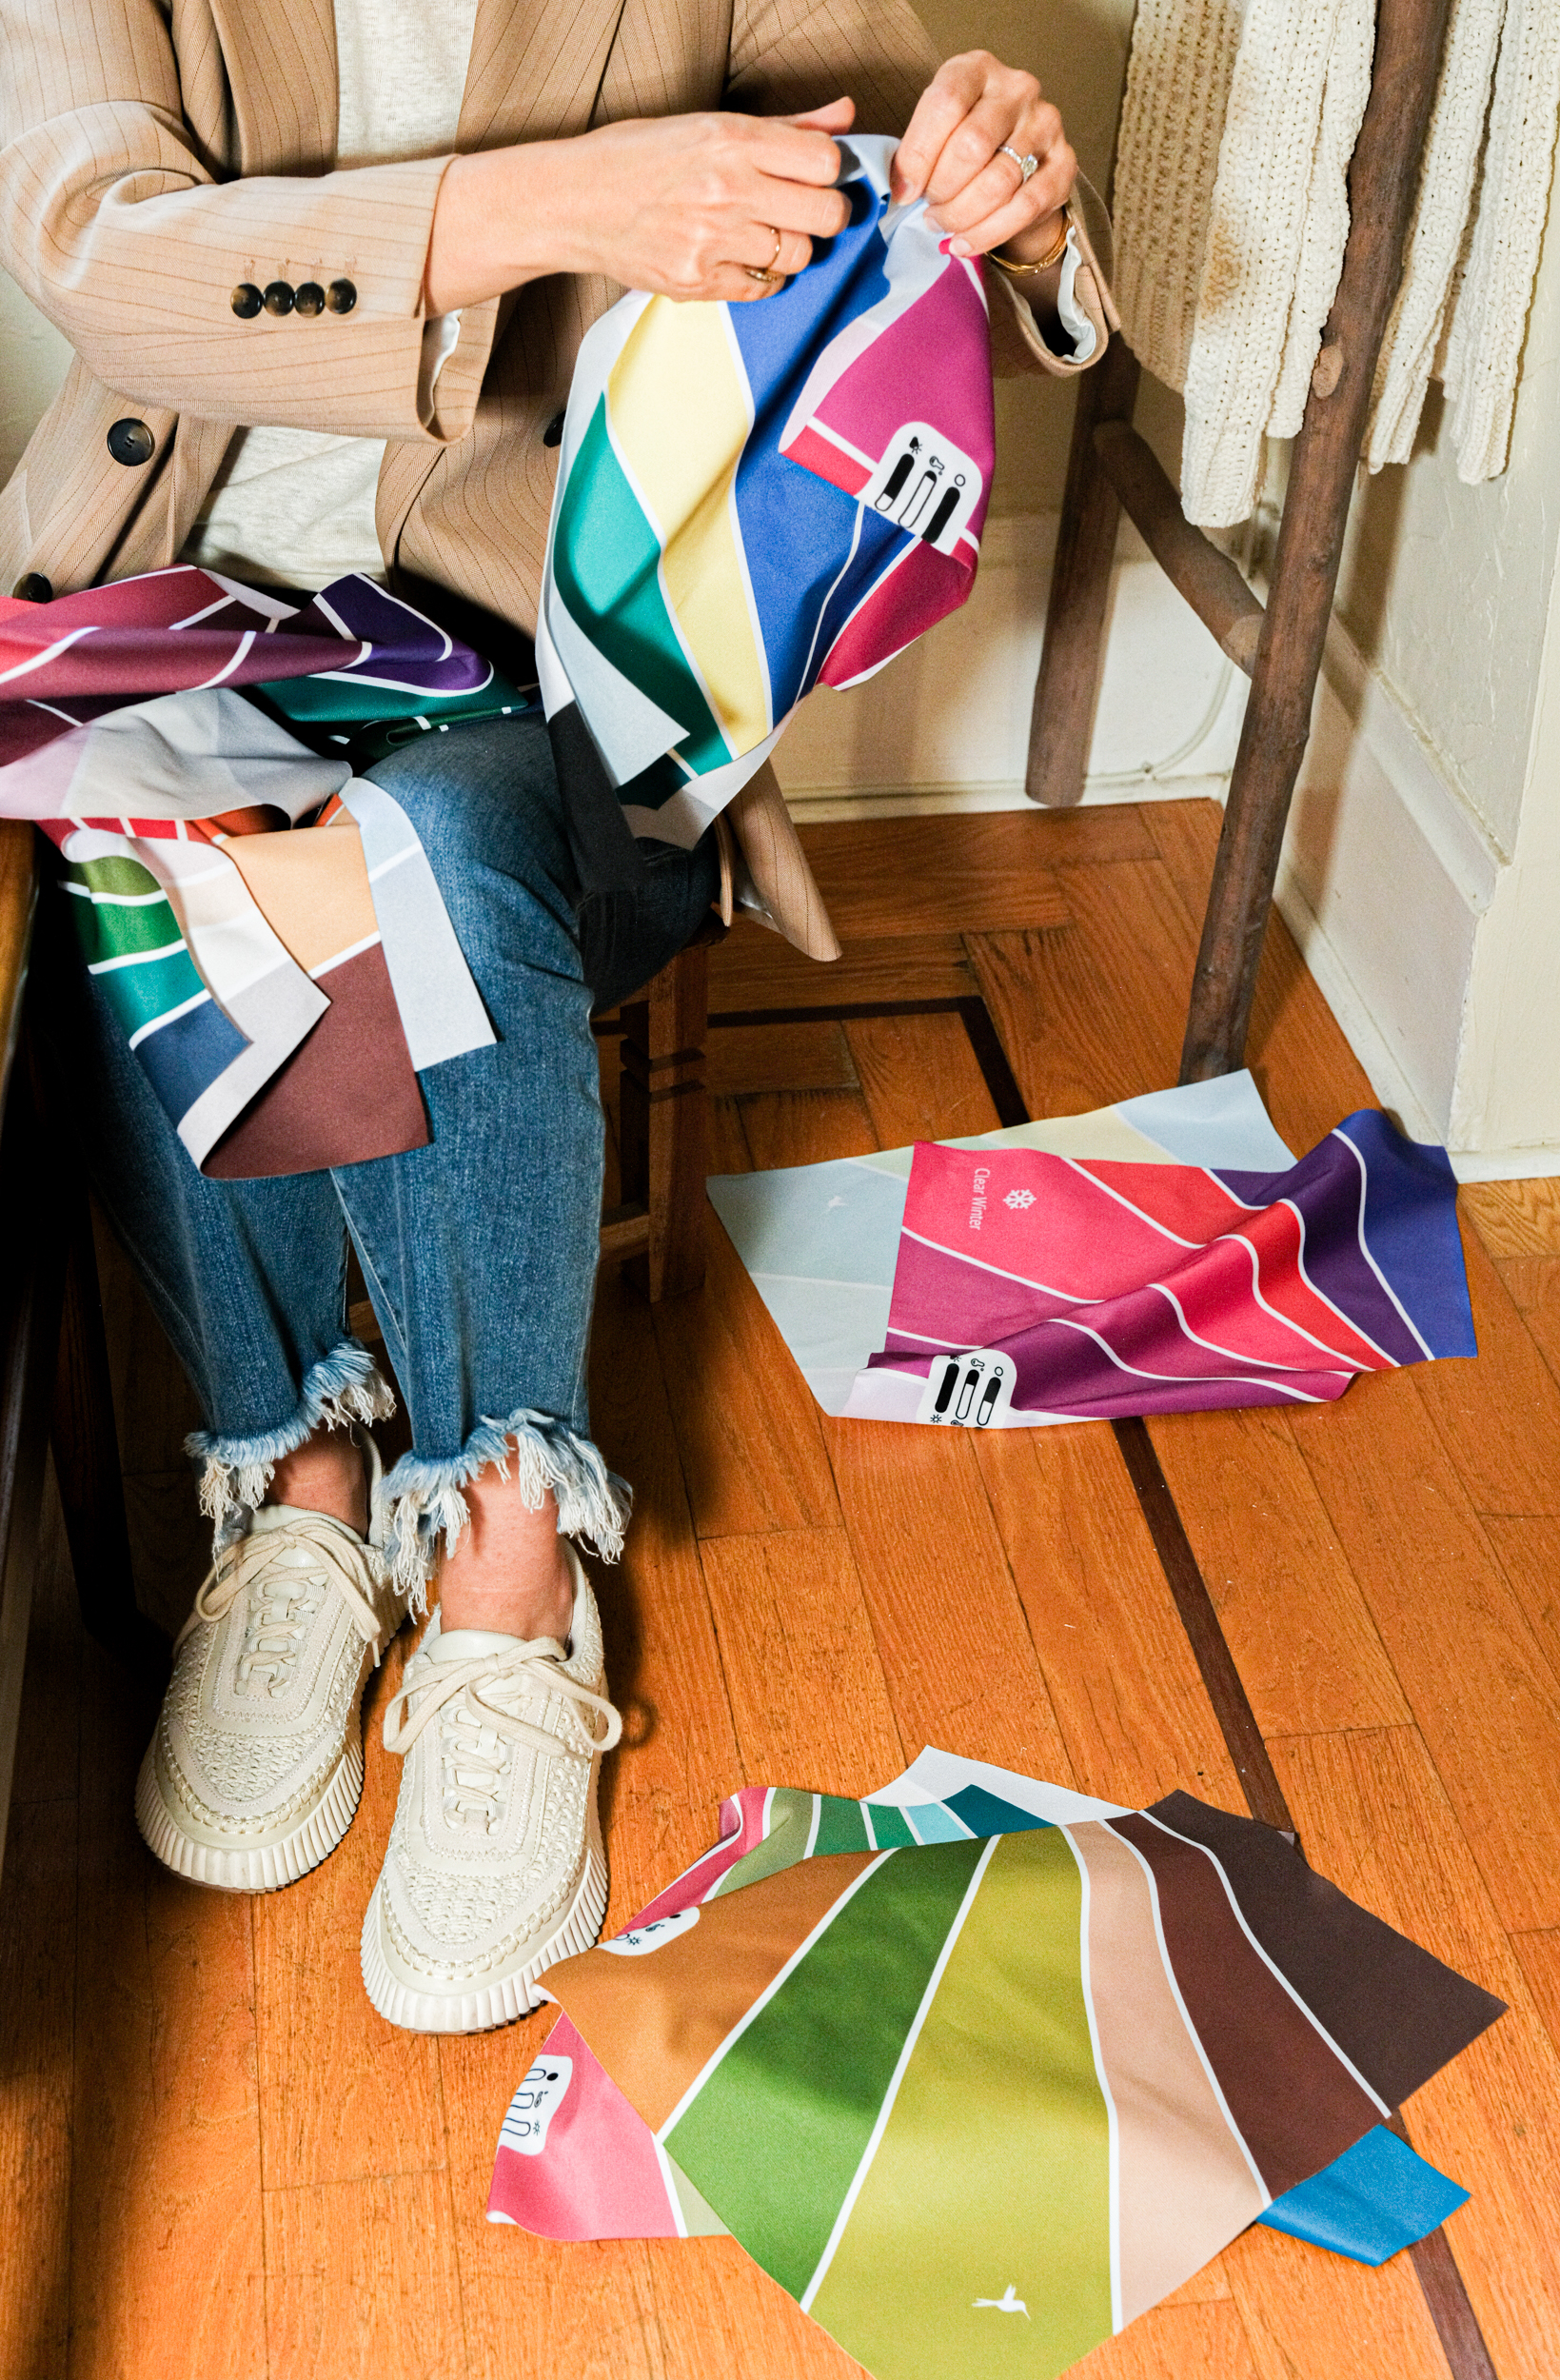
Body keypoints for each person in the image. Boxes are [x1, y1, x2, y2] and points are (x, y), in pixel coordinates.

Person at [0, 0, 1085, 2033]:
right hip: (173, 584)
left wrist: (1006, 203)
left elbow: (900, 149)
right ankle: (298, 1475)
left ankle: (508, 1561)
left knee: (442, 858)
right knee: (127, 812)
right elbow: (98, 245)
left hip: (539, 653)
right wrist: (552, 205)